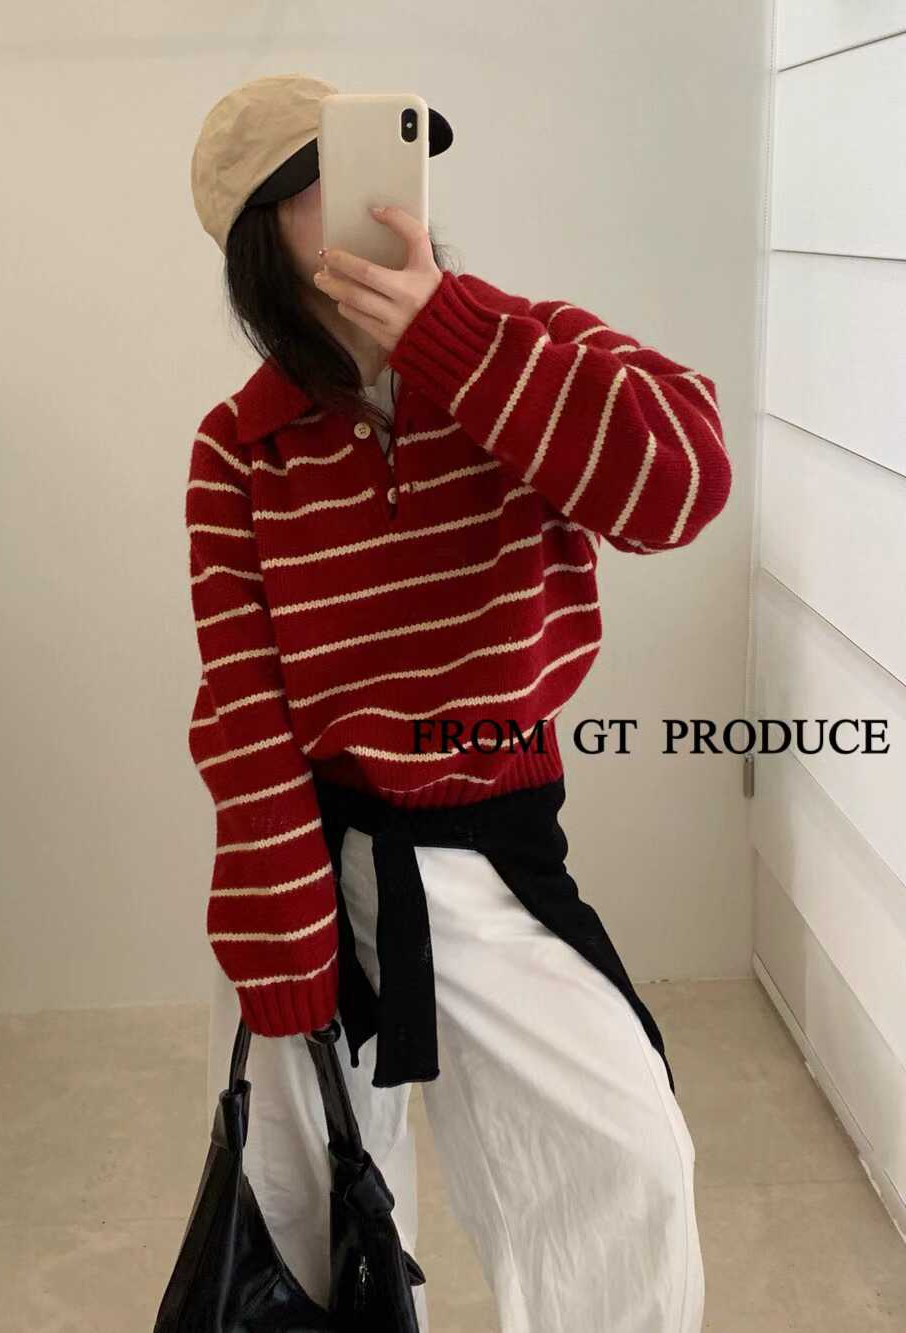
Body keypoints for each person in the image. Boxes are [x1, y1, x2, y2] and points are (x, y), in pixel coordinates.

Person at [189, 73, 731, 1333]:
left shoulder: (519, 347)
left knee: (622, 1170)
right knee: (305, 1225)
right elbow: (243, 705)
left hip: (490, 854)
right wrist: (285, 944)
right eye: (316, 179)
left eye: (386, 156)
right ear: (259, 239)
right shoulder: (240, 445)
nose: (374, 191)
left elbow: (679, 489)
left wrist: (454, 338)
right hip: (307, 865)